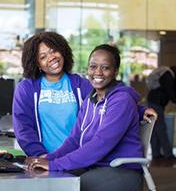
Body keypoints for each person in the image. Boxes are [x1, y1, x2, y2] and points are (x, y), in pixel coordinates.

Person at [13, 31, 156, 157]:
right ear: (36, 63)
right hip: (46, 158)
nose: (51, 57)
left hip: (78, 158)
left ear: (62, 51)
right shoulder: (26, 88)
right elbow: (23, 129)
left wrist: (140, 109)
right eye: (43, 56)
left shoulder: (82, 84)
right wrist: (41, 156)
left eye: (53, 51)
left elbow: (112, 100)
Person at [25, 44, 146, 191]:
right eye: (93, 67)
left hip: (121, 170)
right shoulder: (90, 99)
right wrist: (47, 159)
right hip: (95, 167)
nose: (98, 72)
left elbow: (100, 144)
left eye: (105, 67)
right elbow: (74, 140)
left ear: (115, 72)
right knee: (49, 179)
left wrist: (54, 164)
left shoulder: (122, 100)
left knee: (69, 185)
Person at [147, 66, 176, 159]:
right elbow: (170, 91)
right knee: (161, 129)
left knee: (155, 130)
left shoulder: (165, 74)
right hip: (156, 104)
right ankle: (168, 154)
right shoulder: (167, 75)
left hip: (152, 102)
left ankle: (156, 154)